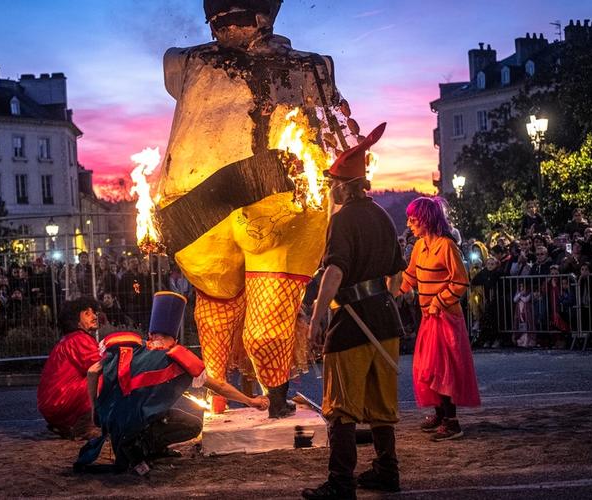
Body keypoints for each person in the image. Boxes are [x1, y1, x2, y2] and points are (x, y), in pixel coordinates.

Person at [156, 0, 360, 417]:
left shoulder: (312, 65)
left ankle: (276, 399)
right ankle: (219, 399)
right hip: (200, 210)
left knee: (265, 332)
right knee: (214, 320)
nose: (227, 26)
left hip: (281, 208)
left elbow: (328, 133)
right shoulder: (185, 61)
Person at [303, 123, 405, 500]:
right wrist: (385, 299)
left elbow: (335, 270)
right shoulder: (382, 215)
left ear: (344, 185)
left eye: (332, 182)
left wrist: (316, 317)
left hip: (352, 324)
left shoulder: (342, 219)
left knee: (341, 407)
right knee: (380, 405)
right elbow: (397, 272)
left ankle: (341, 482)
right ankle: (386, 471)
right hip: (385, 319)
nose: (330, 187)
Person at [76, 292, 268, 474]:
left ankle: (141, 447)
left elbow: (92, 371)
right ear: (175, 339)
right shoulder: (179, 359)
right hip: (136, 426)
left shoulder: (129, 347)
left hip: (115, 423)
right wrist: (251, 401)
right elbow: (220, 386)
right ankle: (143, 446)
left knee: (155, 413)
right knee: (192, 425)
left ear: (150, 335)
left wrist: (95, 408)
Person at [397, 196, 481, 442]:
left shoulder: (446, 246)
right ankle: (440, 413)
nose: (409, 224)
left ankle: (451, 421)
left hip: (445, 318)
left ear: (426, 219)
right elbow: (409, 278)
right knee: (427, 368)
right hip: (428, 318)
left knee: (443, 369)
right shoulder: (420, 247)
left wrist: (437, 301)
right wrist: (388, 291)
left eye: (413, 219)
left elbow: (460, 281)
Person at [37, 297, 102, 439]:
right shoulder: (79, 339)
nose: (94, 316)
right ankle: (85, 426)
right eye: (87, 313)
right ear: (76, 320)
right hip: (60, 401)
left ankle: (72, 425)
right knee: (106, 376)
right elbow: (100, 365)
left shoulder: (70, 339)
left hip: (54, 403)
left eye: (94, 312)